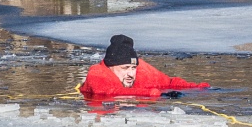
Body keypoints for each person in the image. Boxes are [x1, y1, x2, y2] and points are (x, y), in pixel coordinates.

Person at [80, 34, 209, 98]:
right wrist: (153, 94)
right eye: (125, 68)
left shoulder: (142, 72)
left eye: (133, 68)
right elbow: (111, 92)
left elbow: (169, 82)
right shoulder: (98, 74)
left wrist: (198, 87)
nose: (131, 74)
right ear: (111, 67)